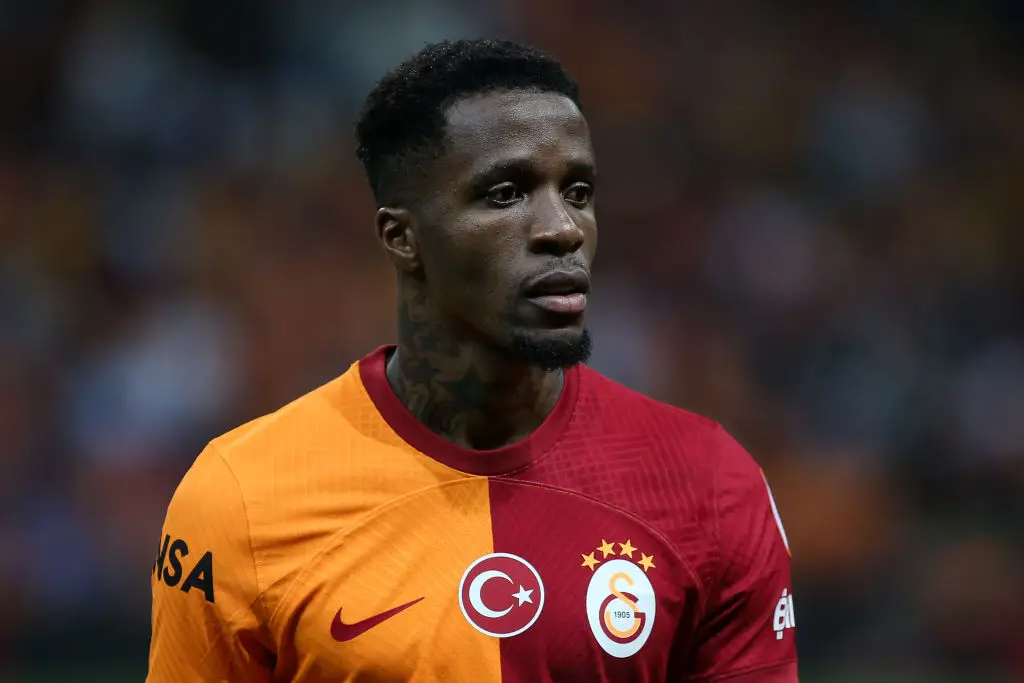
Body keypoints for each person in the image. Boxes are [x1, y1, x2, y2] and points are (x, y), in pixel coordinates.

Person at [147, 38, 798, 682]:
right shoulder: (243, 498)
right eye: (507, 193)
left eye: (577, 191)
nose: (563, 228)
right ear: (402, 238)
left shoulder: (709, 485)